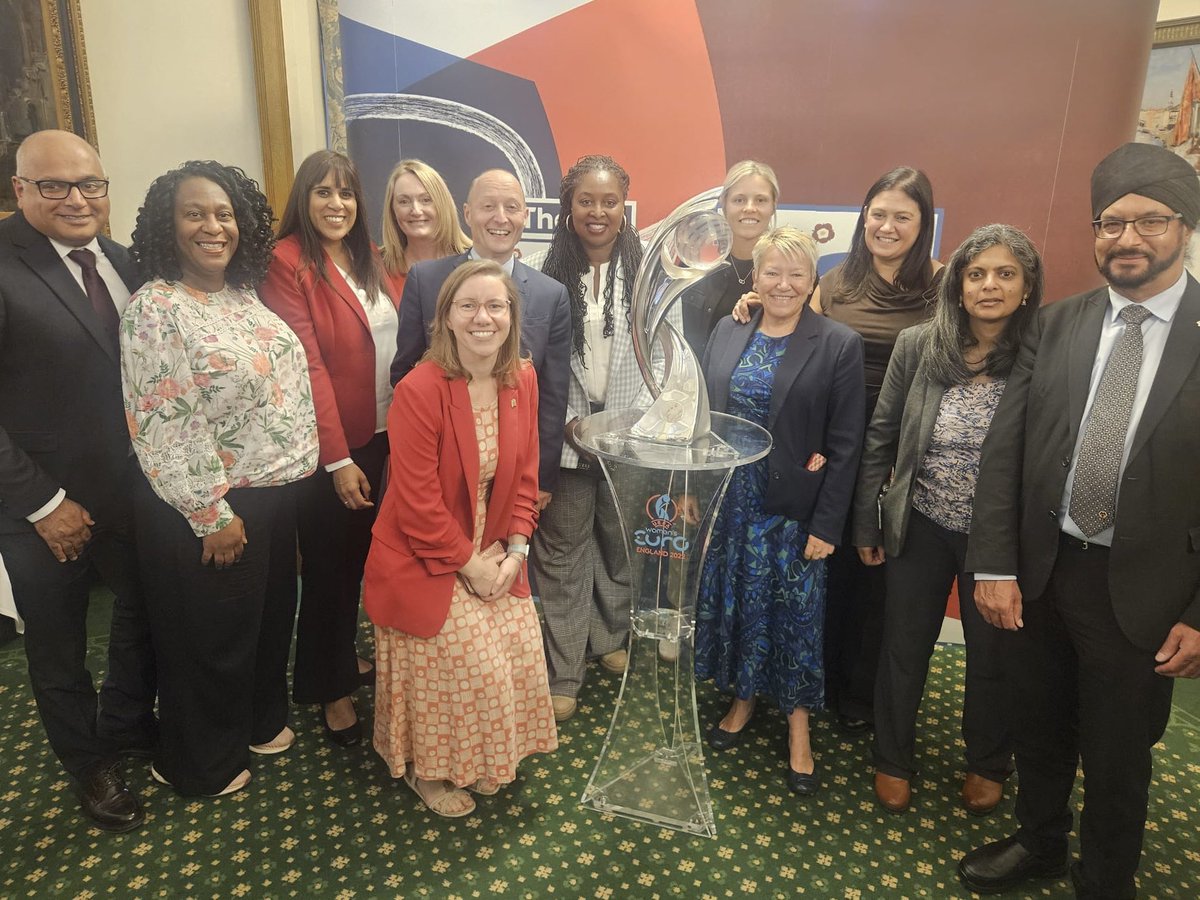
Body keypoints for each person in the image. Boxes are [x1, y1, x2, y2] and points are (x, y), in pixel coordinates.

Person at [959, 142, 1200, 898]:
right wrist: (994, 564)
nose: (1126, 239)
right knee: (1041, 727)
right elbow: (1005, 453)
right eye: (1110, 223)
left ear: (1185, 228)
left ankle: (1105, 878)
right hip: (1043, 571)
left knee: (1120, 750)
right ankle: (1040, 846)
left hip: (1146, 592)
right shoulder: (1057, 324)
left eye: (1148, 222)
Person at [122, 161, 318, 797]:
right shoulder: (155, 307)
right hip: (210, 505)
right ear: (166, 224)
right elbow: (163, 419)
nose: (214, 226)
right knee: (209, 641)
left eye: (225, 213)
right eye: (195, 214)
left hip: (271, 496)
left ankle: (258, 723)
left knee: (260, 629)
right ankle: (199, 761)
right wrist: (211, 512)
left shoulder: (241, 294)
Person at [740, 166, 944, 732]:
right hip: (836, 446)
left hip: (905, 452)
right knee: (829, 571)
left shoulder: (942, 284)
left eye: (903, 216)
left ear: (923, 223)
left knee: (881, 580)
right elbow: (800, 340)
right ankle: (820, 684)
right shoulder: (836, 282)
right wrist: (750, 307)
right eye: (878, 213)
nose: (887, 225)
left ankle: (864, 700)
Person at [853, 224, 1044, 816]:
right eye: (976, 273)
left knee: (993, 657)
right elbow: (881, 436)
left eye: (1005, 274)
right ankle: (892, 758)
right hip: (921, 524)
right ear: (957, 285)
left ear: (1026, 286)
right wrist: (867, 522)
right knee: (904, 647)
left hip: (1000, 542)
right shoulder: (919, 346)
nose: (989, 285)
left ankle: (988, 762)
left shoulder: (1045, 354)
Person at [0, 129, 157, 832]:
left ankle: (125, 722)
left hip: (131, 491)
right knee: (58, 645)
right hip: (37, 505)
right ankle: (88, 764)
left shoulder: (126, 262)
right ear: (20, 191)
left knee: (141, 613)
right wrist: (44, 502)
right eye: (55, 186)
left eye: (90, 184)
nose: (76, 199)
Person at [363, 259, 558, 818]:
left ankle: (477, 761)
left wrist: (517, 551)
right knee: (474, 663)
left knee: (517, 648)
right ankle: (429, 771)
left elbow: (525, 477)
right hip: (426, 554)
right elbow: (418, 504)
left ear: (512, 316)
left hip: (494, 545)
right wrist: (471, 567)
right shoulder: (419, 389)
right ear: (446, 317)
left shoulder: (521, 377)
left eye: (495, 306)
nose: (482, 318)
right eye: (467, 306)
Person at [698, 227, 865, 795]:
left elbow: (846, 445)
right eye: (772, 271)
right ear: (755, 277)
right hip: (730, 498)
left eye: (797, 274)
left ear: (813, 279)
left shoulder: (838, 342)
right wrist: (697, 489)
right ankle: (742, 699)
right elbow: (708, 414)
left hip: (793, 506)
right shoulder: (729, 328)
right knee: (740, 600)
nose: (784, 284)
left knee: (795, 614)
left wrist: (827, 525)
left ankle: (798, 729)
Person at [260, 150, 401, 747]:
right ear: (303, 199)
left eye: (346, 193)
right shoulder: (285, 261)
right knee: (330, 571)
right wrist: (338, 459)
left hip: (387, 435)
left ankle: (344, 658)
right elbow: (306, 365)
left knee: (367, 561)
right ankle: (329, 688)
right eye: (323, 192)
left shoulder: (369, 257)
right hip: (334, 448)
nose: (336, 204)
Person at [524, 155, 667, 721]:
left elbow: (664, 352)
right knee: (562, 554)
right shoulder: (537, 271)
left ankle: (607, 638)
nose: (598, 212)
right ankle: (564, 670)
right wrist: (555, 422)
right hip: (563, 438)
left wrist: (640, 420)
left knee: (620, 545)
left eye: (609, 201)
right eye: (586, 200)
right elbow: (525, 360)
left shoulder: (649, 273)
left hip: (629, 440)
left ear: (624, 207)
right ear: (568, 206)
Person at [389, 168, 571, 507]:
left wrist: (542, 477)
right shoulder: (426, 281)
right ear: (468, 213)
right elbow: (403, 374)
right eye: (488, 206)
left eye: (512, 207)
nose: (500, 218)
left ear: (526, 216)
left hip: (513, 476)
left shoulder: (552, 295)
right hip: (438, 469)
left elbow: (552, 394)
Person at [681, 160, 779, 354]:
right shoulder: (693, 265)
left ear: (773, 206)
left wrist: (774, 309)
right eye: (739, 200)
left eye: (760, 200)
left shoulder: (791, 272)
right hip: (700, 382)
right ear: (724, 205)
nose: (750, 208)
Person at [380, 158, 471, 295]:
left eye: (426, 200)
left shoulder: (473, 262)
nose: (416, 210)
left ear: (442, 204)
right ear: (392, 210)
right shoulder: (377, 268)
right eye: (404, 201)